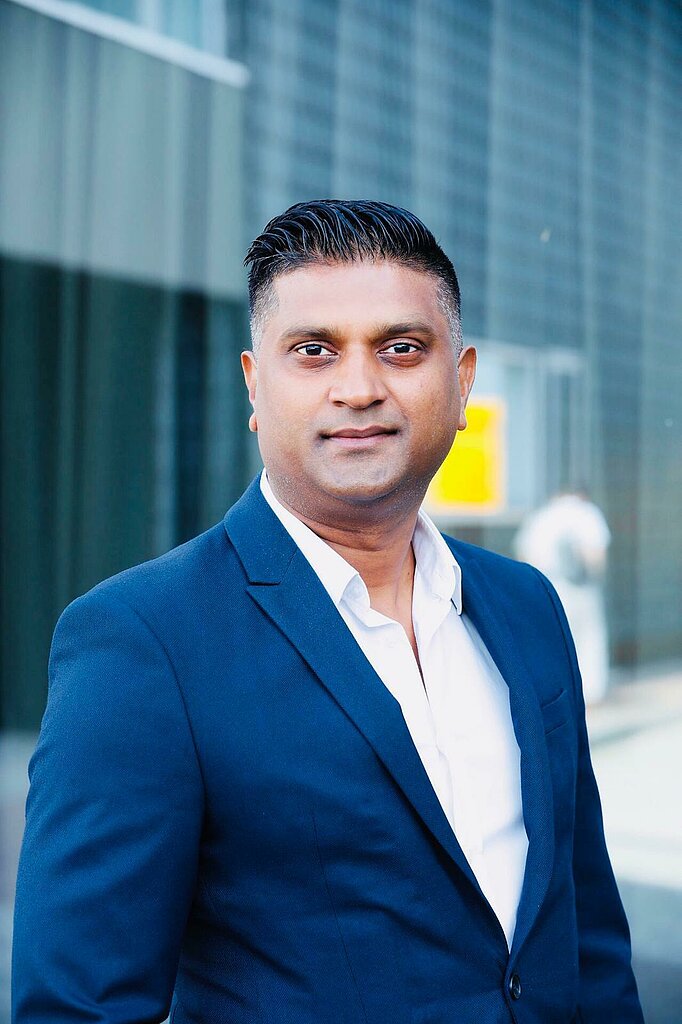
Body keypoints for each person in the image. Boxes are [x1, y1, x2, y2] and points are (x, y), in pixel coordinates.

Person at [12, 200, 643, 1024]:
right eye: (314, 351)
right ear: (254, 385)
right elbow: (78, 1007)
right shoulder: (143, 640)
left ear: (462, 382)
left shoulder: (528, 608)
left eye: (401, 348)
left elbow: (588, 938)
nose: (359, 388)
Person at [514, 491, 612, 704]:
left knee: (550, 641)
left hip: (545, 589)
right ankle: (590, 693)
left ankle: (555, 695)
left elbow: (523, 557)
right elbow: (595, 555)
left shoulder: (541, 516)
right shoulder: (586, 513)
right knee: (588, 638)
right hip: (580, 588)